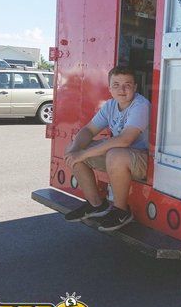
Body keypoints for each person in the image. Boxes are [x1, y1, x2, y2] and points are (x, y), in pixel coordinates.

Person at [63, 66, 150, 231]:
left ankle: (122, 211)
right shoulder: (110, 105)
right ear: (109, 88)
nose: (122, 90)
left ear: (135, 87)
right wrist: (75, 150)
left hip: (143, 159)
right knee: (73, 149)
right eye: (116, 85)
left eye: (127, 85)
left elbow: (125, 140)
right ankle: (96, 205)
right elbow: (88, 130)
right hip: (120, 157)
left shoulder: (141, 105)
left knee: (114, 154)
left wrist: (83, 154)